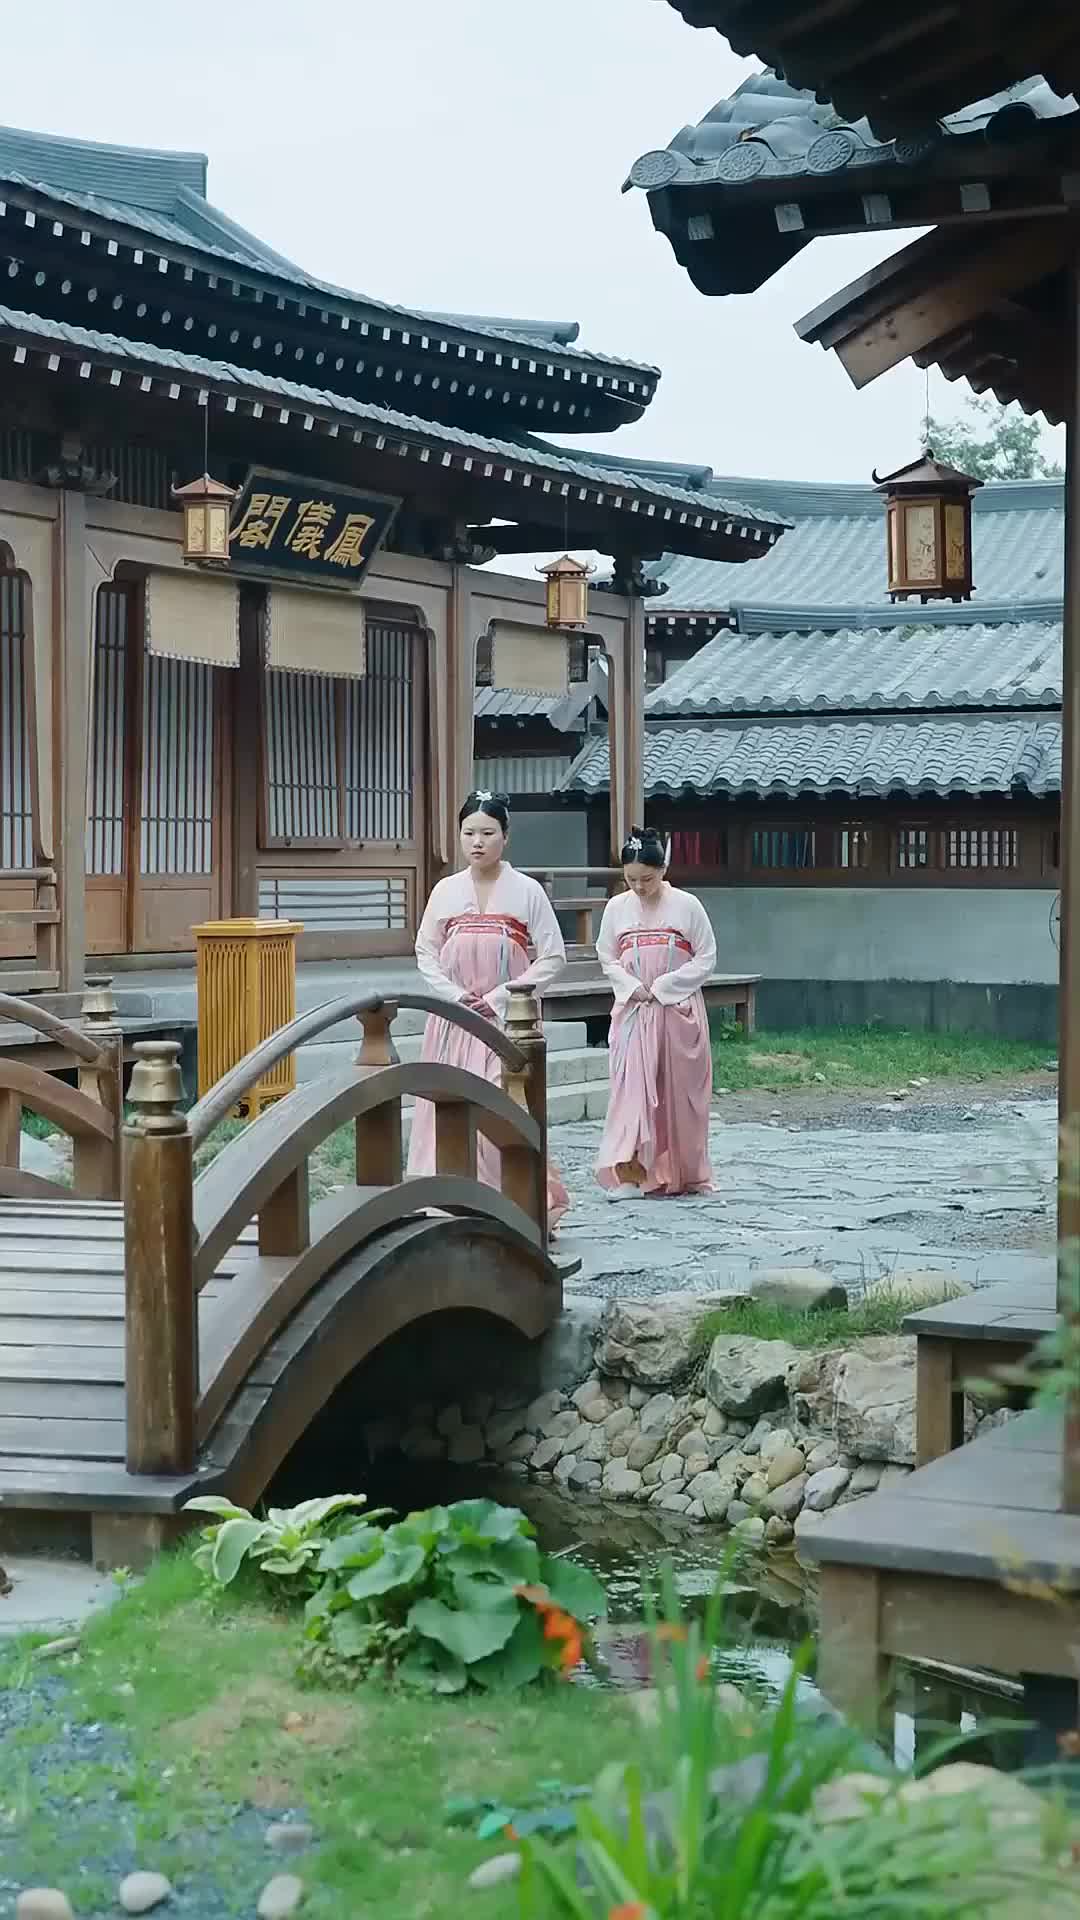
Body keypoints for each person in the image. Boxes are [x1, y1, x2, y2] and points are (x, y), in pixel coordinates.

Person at [406, 790, 570, 1232]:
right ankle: (448, 1198)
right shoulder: (445, 890)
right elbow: (425, 951)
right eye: (469, 833)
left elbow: (553, 957)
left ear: (506, 836)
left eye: (487, 833)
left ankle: (512, 1201)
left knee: (500, 1104)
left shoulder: (527, 891)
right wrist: (455, 996)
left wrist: (501, 997)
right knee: (448, 1101)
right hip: (454, 1020)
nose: (477, 842)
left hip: (507, 1022)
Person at [595, 826, 716, 1198]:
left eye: (647, 879)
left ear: (663, 869)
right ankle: (631, 1174)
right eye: (631, 879)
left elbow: (706, 957)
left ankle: (684, 1172)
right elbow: (606, 955)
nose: (639, 887)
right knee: (630, 1094)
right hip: (634, 1010)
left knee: (679, 1097)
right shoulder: (617, 908)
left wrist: (664, 986)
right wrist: (632, 986)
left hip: (676, 1010)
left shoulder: (687, 905)